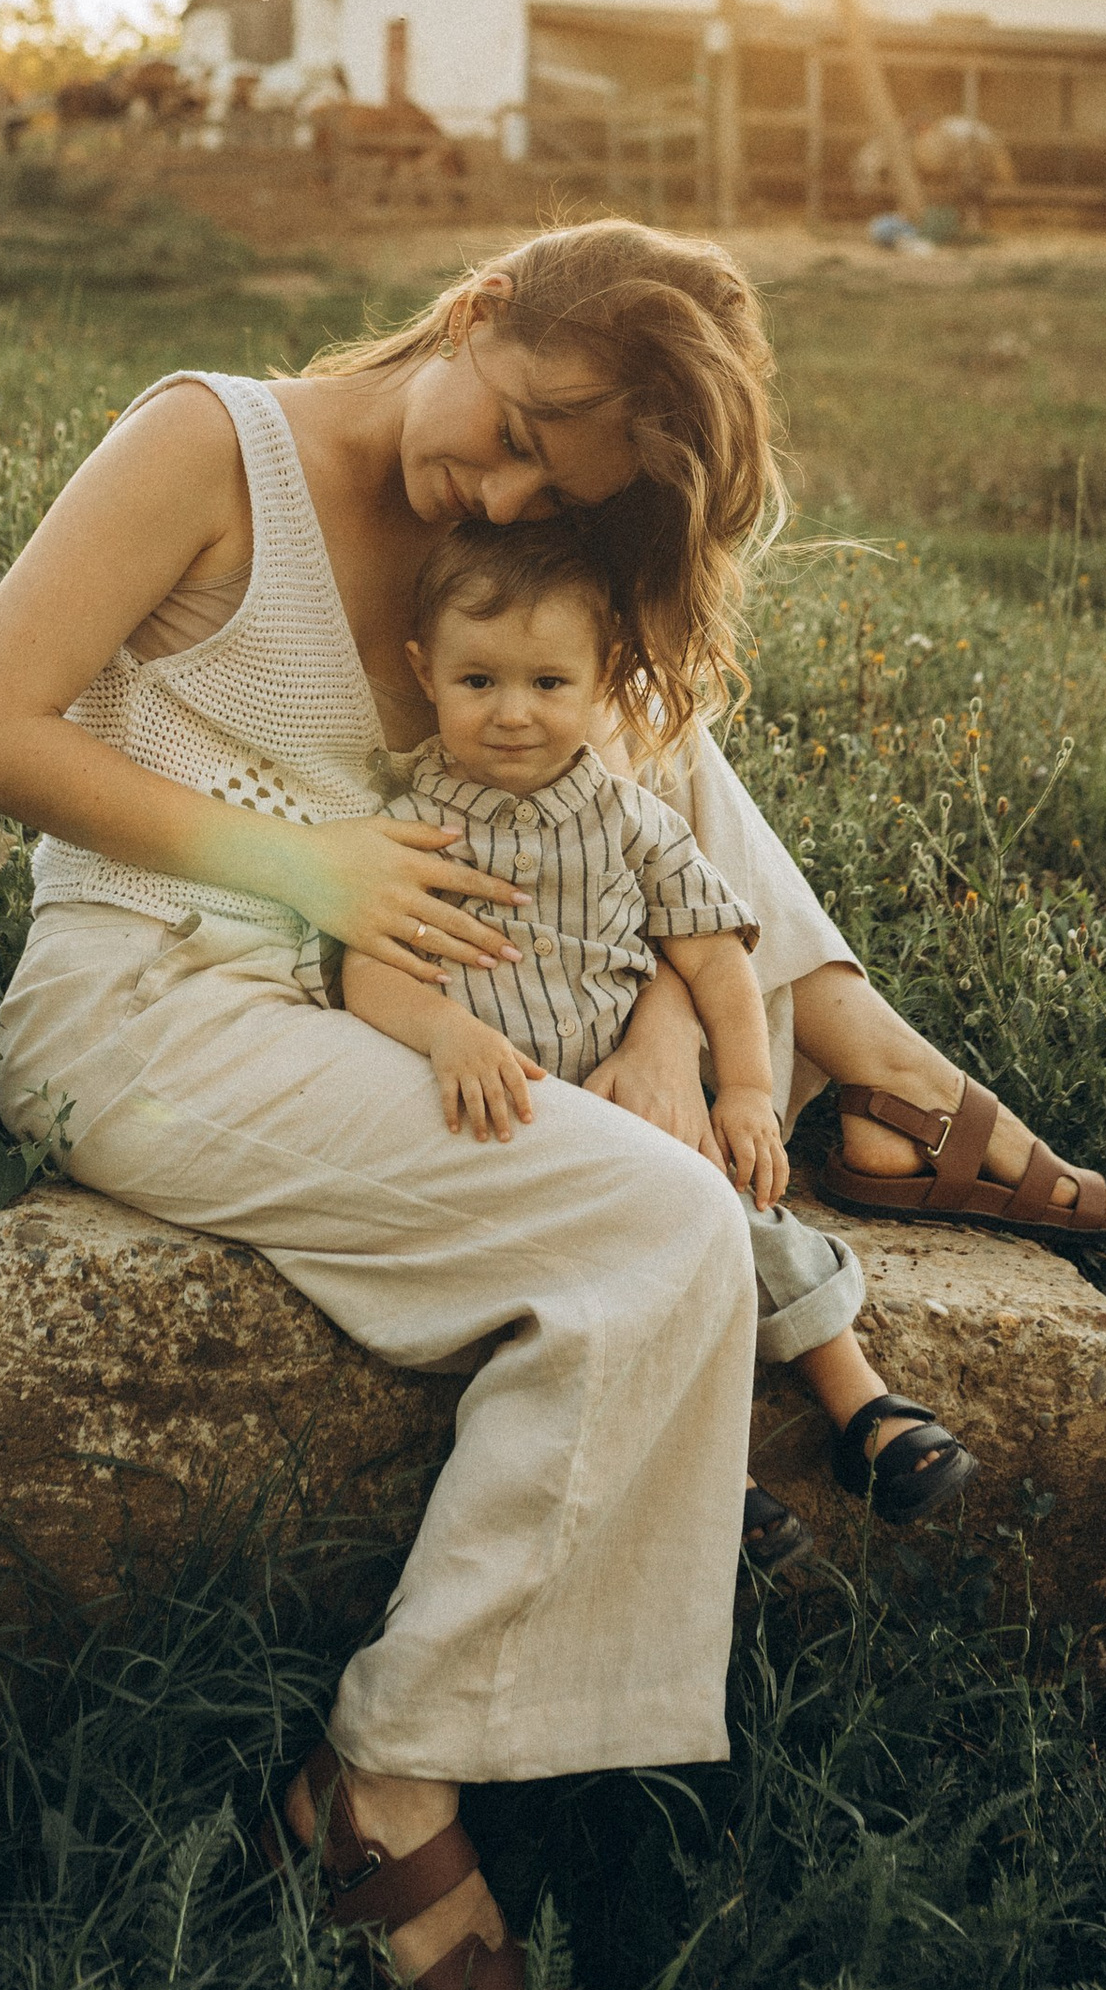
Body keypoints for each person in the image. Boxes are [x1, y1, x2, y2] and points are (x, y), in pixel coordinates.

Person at [0, 219, 1106, 1990]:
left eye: (544, 476)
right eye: (507, 428)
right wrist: (306, 861)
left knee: (661, 1141)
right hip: (158, 1005)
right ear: (479, 306)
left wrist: (668, 1026)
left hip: (425, 1018)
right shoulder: (209, 443)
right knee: (660, 1231)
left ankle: (831, 1055)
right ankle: (384, 1781)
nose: (483, 485)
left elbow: (632, 794)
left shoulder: (522, 548)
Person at [343, 513, 986, 1556]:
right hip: (499, 1115)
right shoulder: (410, 817)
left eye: (548, 684)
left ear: (605, 683)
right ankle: (714, 1474)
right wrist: (446, 1033)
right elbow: (369, 967)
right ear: (424, 673)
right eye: (478, 682)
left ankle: (863, 1407)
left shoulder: (632, 818)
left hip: (631, 1108)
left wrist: (740, 1088)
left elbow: (715, 955)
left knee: (737, 1219)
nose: (512, 713)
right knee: (612, 1270)